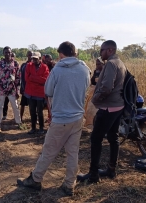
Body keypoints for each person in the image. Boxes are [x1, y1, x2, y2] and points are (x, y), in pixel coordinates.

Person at [17, 41, 90, 196]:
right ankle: (69, 184)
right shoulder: (85, 69)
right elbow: (86, 88)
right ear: (75, 53)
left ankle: (35, 179)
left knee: (49, 151)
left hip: (61, 118)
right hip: (78, 118)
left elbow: (48, 90)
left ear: (60, 54)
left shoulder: (57, 70)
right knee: (73, 153)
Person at [77, 40, 126, 183]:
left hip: (108, 107)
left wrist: (95, 99)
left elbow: (107, 87)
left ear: (110, 50)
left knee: (96, 139)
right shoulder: (119, 62)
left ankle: (93, 175)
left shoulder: (111, 64)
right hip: (117, 106)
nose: (100, 53)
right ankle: (111, 170)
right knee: (113, 137)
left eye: (102, 50)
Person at [0, 46, 22, 128]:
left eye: (9, 52)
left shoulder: (16, 63)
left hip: (12, 89)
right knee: (0, 106)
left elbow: (18, 78)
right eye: (6, 52)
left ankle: (18, 122)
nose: (7, 54)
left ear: (11, 53)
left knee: (15, 106)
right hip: (1, 88)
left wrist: (17, 90)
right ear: (3, 53)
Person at [24, 51, 49, 134]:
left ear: (40, 59)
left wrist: (33, 78)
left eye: (36, 59)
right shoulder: (28, 66)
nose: (34, 60)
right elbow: (27, 78)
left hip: (40, 93)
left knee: (40, 111)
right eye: (33, 58)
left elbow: (45, 80)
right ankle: (33, 128)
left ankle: (41, 128)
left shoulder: (45, 67)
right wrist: (38, 79)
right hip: (30, 92)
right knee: (32, 111)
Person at [84, 57, 104, 129]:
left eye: (99, 64)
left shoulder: (107, 73)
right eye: (96, 64)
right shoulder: (96, 72)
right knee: (90, 110)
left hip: (101, 95)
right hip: (93, 93)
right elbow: (92, 82)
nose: (97, 66)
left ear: (103, 64)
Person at [19, 51, 33, 122]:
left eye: (31, 55)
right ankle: (20, 118)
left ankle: (33, 118)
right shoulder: (24, 65)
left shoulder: (35, 65)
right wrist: (22, 88)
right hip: (25, 88)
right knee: (23, 104)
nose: (30, 56)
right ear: (27, 55)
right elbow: (21, 77)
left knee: (32, 105)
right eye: (29, 55)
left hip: (32, 89)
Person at [43, 54, 56, 123]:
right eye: (46, 59)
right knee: (48, 104)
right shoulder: (44, 66)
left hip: (53, 89)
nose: (47, 61)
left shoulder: (55, 67)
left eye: (49, 59)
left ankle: (51, 117)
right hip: (45, 87)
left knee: (52, 104)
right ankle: (49, 117)